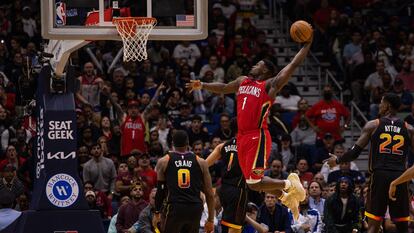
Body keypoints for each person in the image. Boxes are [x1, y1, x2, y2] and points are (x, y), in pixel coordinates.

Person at [187, 33, 313, 219]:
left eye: (259, 64)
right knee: (252, 183)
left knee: (255, 180)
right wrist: (203, 85)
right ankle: (287, 192)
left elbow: (292, 66)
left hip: (257, 136)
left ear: (265, 71)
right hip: (242, 137)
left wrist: (306, 45)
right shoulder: (242, 81)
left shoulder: (269, 85)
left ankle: (288, 184)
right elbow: (223, 87)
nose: (254, 65)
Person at [327, 93, 414, 233]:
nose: (379, 105)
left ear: (387, 105)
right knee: (402, 227)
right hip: (400, 178)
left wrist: (337, 160)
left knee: (373, 225)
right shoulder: (409, 129)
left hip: (379, 176)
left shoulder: (374, 125)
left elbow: (355, 152)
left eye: (381, 102)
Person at [153, 130, 215, 233]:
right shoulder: (201, 162)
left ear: (172, 143)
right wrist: (211, 220)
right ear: (188, 143)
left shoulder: (164, 161)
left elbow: (160, 190)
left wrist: (156, 213)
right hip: (194, 208)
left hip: (175, 207)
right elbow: (209, 193)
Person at [205, 119, 246, 233]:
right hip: (238, 190)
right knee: (235, 227)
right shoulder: (247, 146)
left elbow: (205, 164)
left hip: (223, 189)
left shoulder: (223, 146)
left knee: (225, 224)